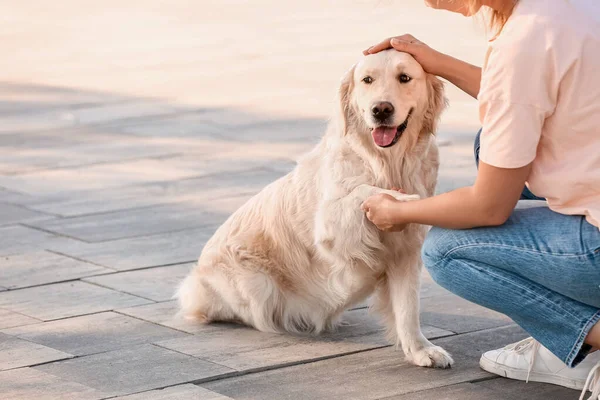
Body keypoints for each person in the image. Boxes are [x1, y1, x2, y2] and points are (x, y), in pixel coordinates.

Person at [360, 0, 600, 398]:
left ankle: (584, 343)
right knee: (487, 146)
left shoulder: (524, 41)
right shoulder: (565, 8)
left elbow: (488, 207)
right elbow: (522, 88)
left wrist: (400, 211)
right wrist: (436, 60)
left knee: (447, 251)